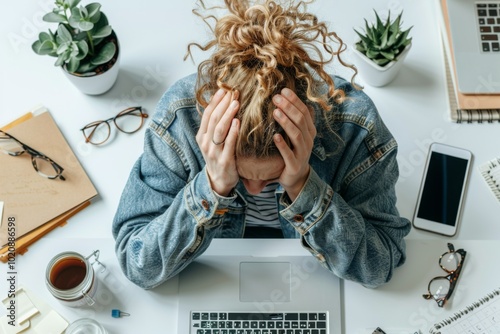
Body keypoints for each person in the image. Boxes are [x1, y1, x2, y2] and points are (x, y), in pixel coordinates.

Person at [112, 0, 411, 290]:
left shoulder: (358, 127)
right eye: (241, 176)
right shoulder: (179, 121)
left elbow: (380, 264)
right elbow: (137, 262)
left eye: (271, 178)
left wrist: (303, 187)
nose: (255, 190)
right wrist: (213, 185)